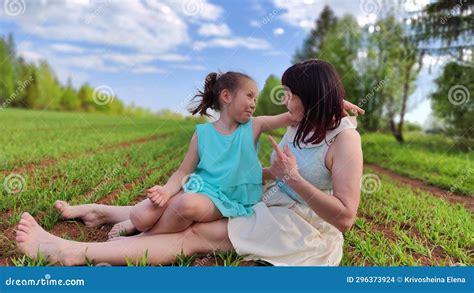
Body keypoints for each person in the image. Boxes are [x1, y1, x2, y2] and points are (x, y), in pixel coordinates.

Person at [16, 60, 363, 266]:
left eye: (290, 95)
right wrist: (330, 100)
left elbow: (346, 218)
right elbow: (309, 105)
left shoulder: (346, 141)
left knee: (194, 232)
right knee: (188, 203)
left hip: (300, 228)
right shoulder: (304, 118)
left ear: (310, 99)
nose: (285, 101)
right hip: (266, 203)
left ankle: (73, 252)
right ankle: (101, 212)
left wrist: (294, 179)